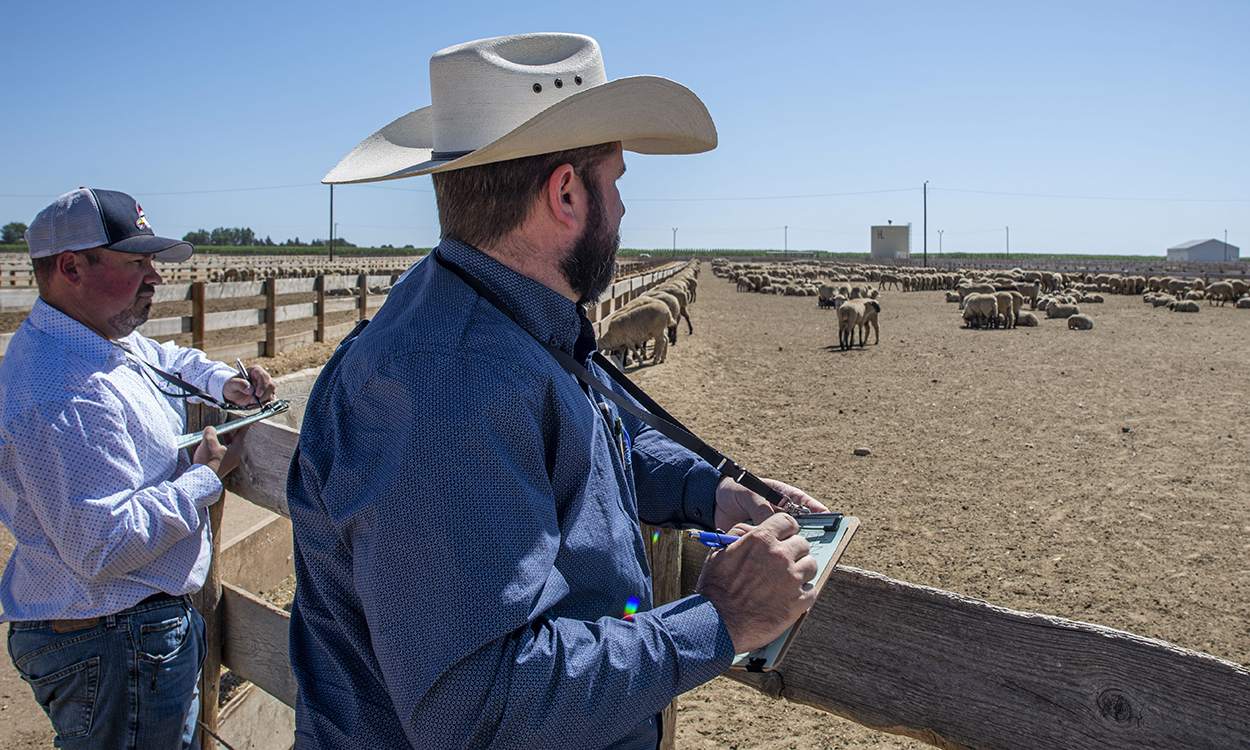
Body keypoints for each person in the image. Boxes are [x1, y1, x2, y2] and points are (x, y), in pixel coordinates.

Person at [288, 33, 825, 750]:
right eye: (617, 182)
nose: (624, 209)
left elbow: (576, 441)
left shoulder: (493, 318)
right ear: (567, 192)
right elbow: (477, 709)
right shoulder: (446, 384)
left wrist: (707, 490)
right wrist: (720, 618)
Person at [0, 188, 276, 749]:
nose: (155, 276)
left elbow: (165, 358)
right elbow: (102, 545)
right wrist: (206, 477)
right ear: (71, 267)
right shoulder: (65, 393)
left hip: (121, 635)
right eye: (135, 263)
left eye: (152, 262)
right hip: (114, 640)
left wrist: (224, 381)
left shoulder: (94, 340)